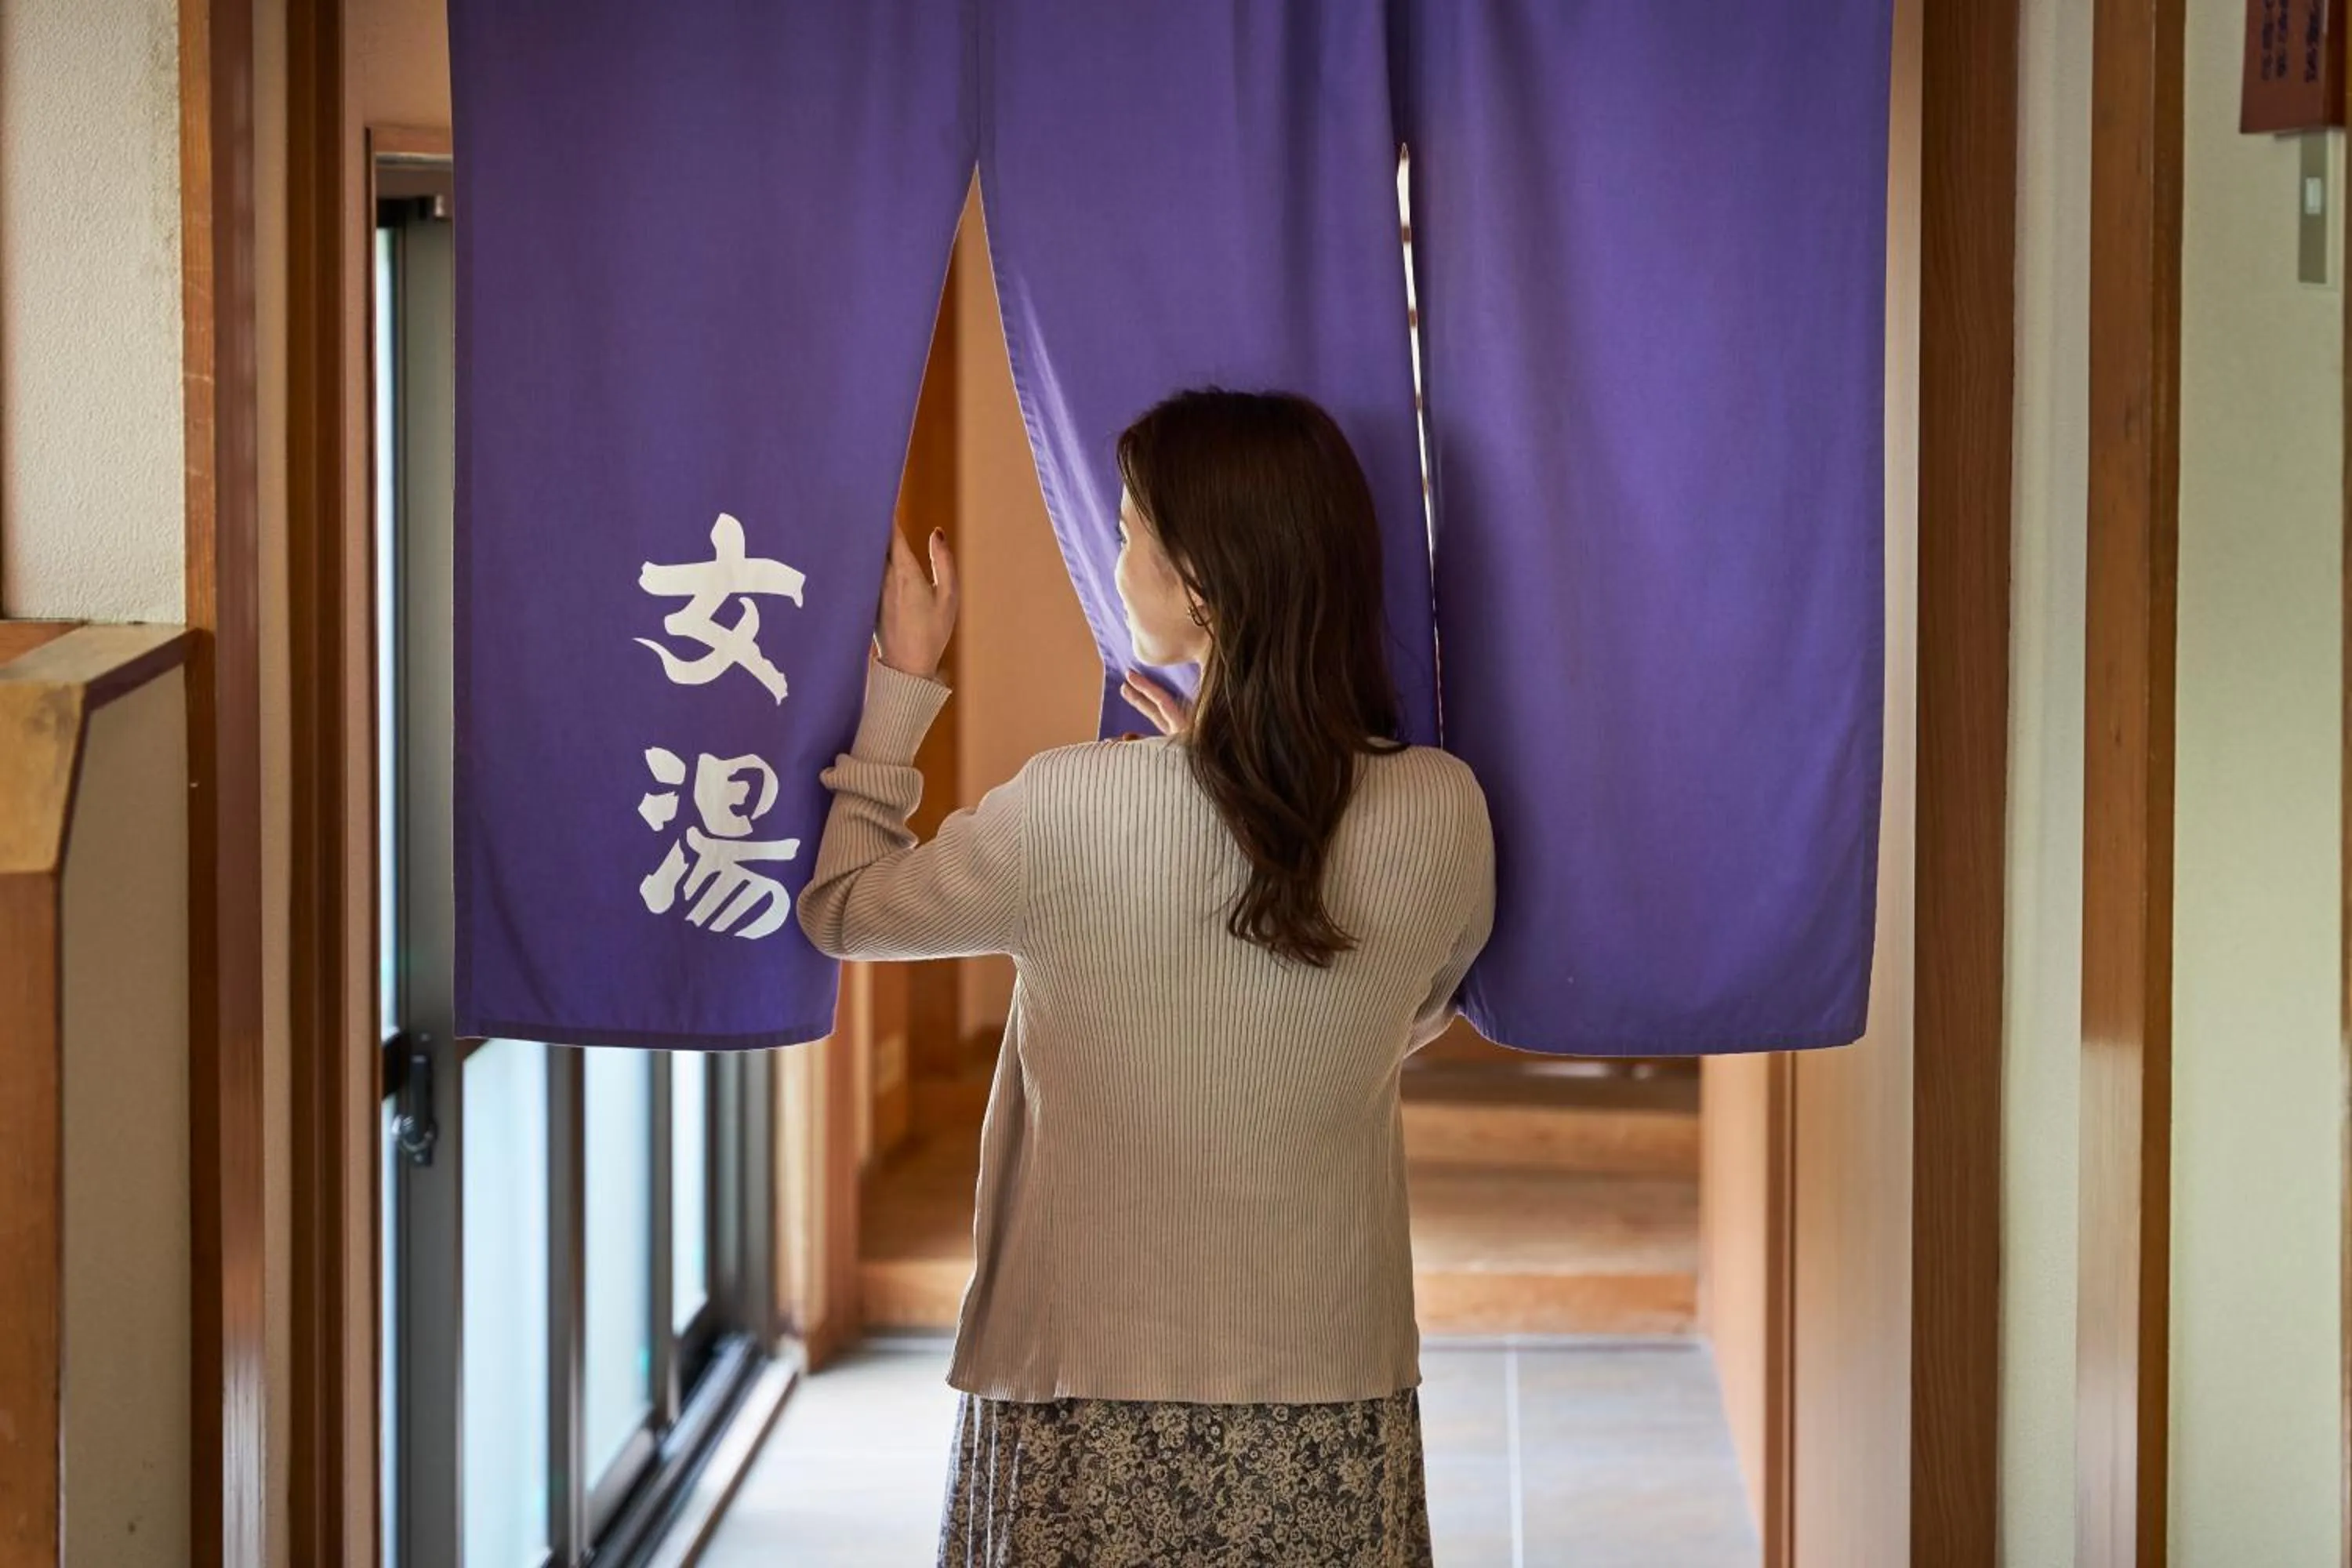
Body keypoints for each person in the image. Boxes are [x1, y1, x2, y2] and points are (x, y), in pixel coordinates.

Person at [798, 387, 1496, 1566]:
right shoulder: (1445, 810)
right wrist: (1219, 784)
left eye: (1128, 530)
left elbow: (843, 909)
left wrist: (904, 684)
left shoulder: (1070, 808)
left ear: (1202, 587)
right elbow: (1408, 1008)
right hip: (1328, 1388)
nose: (1115, 557)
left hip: (1081, 1382)